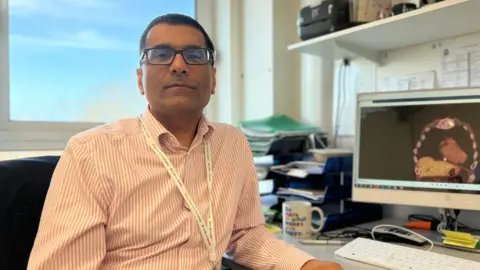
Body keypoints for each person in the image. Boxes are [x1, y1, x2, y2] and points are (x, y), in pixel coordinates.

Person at [27, 14, 343, 270]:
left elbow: (244, 235)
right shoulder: (91, 152)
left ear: (214, 79)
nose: (179, 65)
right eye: (161, 55)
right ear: (140, 79)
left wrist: (304, 264)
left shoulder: (232, 143)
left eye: (195, 55)